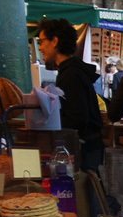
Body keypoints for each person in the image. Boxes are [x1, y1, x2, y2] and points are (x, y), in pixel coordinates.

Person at [36, 18, 105, 171]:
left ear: (54, 41)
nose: (40, 47)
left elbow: (78, 117)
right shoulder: (70, 71)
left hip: (85, 151)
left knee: (85, 192)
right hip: (88, 148)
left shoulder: (71, 75)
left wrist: (49, 120)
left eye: (41, 41)